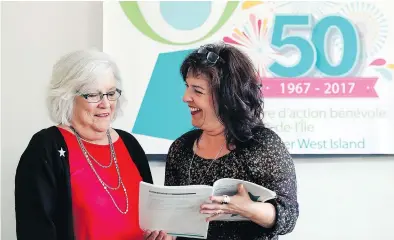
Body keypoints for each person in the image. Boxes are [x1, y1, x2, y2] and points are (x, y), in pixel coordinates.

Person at [162, 43, 299, 240]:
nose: (186, 97)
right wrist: (165, 232)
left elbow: (289, 216)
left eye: (197, 91)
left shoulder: (262, 145)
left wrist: (249, 209)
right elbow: (173, 221)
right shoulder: (180, 148)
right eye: (187, 87)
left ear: (226, 96)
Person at [14, 49, 155, 240]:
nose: (106, 103)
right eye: (93, 95)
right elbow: (35, 229)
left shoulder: (129, 144)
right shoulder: (46, 148)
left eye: (111, 93)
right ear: (67, 96)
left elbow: (151, 217)